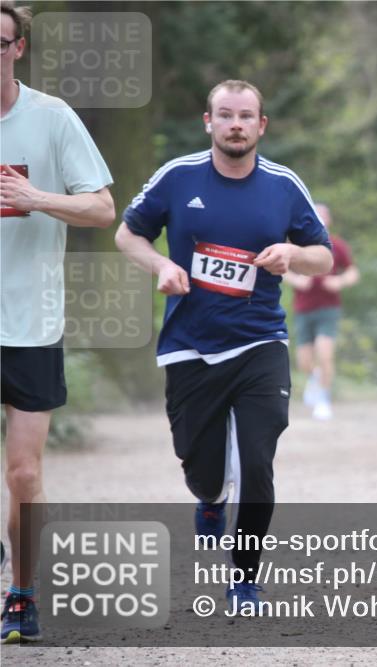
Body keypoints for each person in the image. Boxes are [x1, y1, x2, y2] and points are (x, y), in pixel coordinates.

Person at [114, 80, 332, 613]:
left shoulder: (283, 185)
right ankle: (209, 498)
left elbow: (323, 258)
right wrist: (163, 265)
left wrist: (291, 253)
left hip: (260, 340)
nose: (236, 124)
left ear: (262, 126)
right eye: (225, 115)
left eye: (246, 116)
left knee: (257, 462)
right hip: (189, 344)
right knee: (201, 466)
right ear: (208, 122)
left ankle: (244, 579)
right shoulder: (178, 176)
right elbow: (127, 234)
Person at [0, 0, 115, 643]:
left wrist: (35, 197)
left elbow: (102, 209)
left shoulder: (51, 118)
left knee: (23, 473)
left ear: (17, 49)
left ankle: (23, 595)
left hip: (30, 322)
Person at [284, 204, 359, 420]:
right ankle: (315, 379)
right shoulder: (299, 244)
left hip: (328, 308)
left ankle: (323, 400)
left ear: (330, 220)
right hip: (303, 308)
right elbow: (282, 270)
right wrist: (297, 280)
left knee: (325, 353)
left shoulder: (337, 246)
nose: (321, 220)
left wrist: (339, 281)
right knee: (304, 362)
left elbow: (353, 272)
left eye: (324, 216)